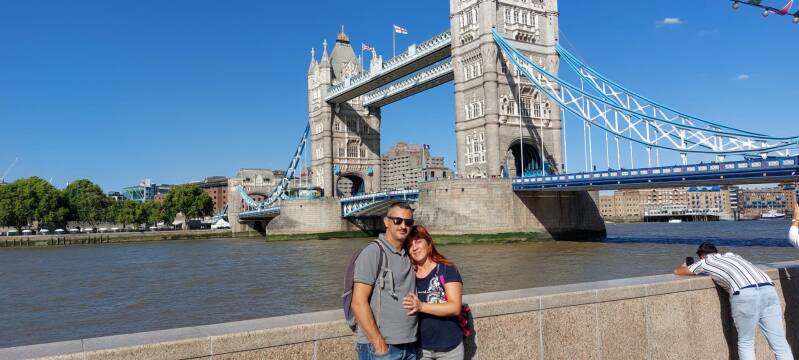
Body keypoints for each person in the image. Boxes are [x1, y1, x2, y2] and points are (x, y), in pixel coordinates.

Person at [673, 242, 793, 360]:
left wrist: (685, 265)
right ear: (716, 252)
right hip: (768, 288)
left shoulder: (704, 262)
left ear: (701, 256)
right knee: (780, 343)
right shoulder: (733, 255)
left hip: (745, 293)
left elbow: (678, 271)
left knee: (746, 343)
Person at [352, 202, 418, 360]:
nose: (403, 226)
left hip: (410, 346)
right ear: (386, 222)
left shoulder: (409, 254)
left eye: (408, 222)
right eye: (397, 221)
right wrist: (379, 345)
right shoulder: (374, 252)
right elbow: (358, 302)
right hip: (383, 349)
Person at [402, 225, 464, 360]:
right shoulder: (408, 274)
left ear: (428, 243)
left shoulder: (447, 269)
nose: (414, 248)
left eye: (418, 241)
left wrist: (421, 306)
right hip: (420, 349)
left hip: (450, 349)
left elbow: (455, 307)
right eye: (409, 245)